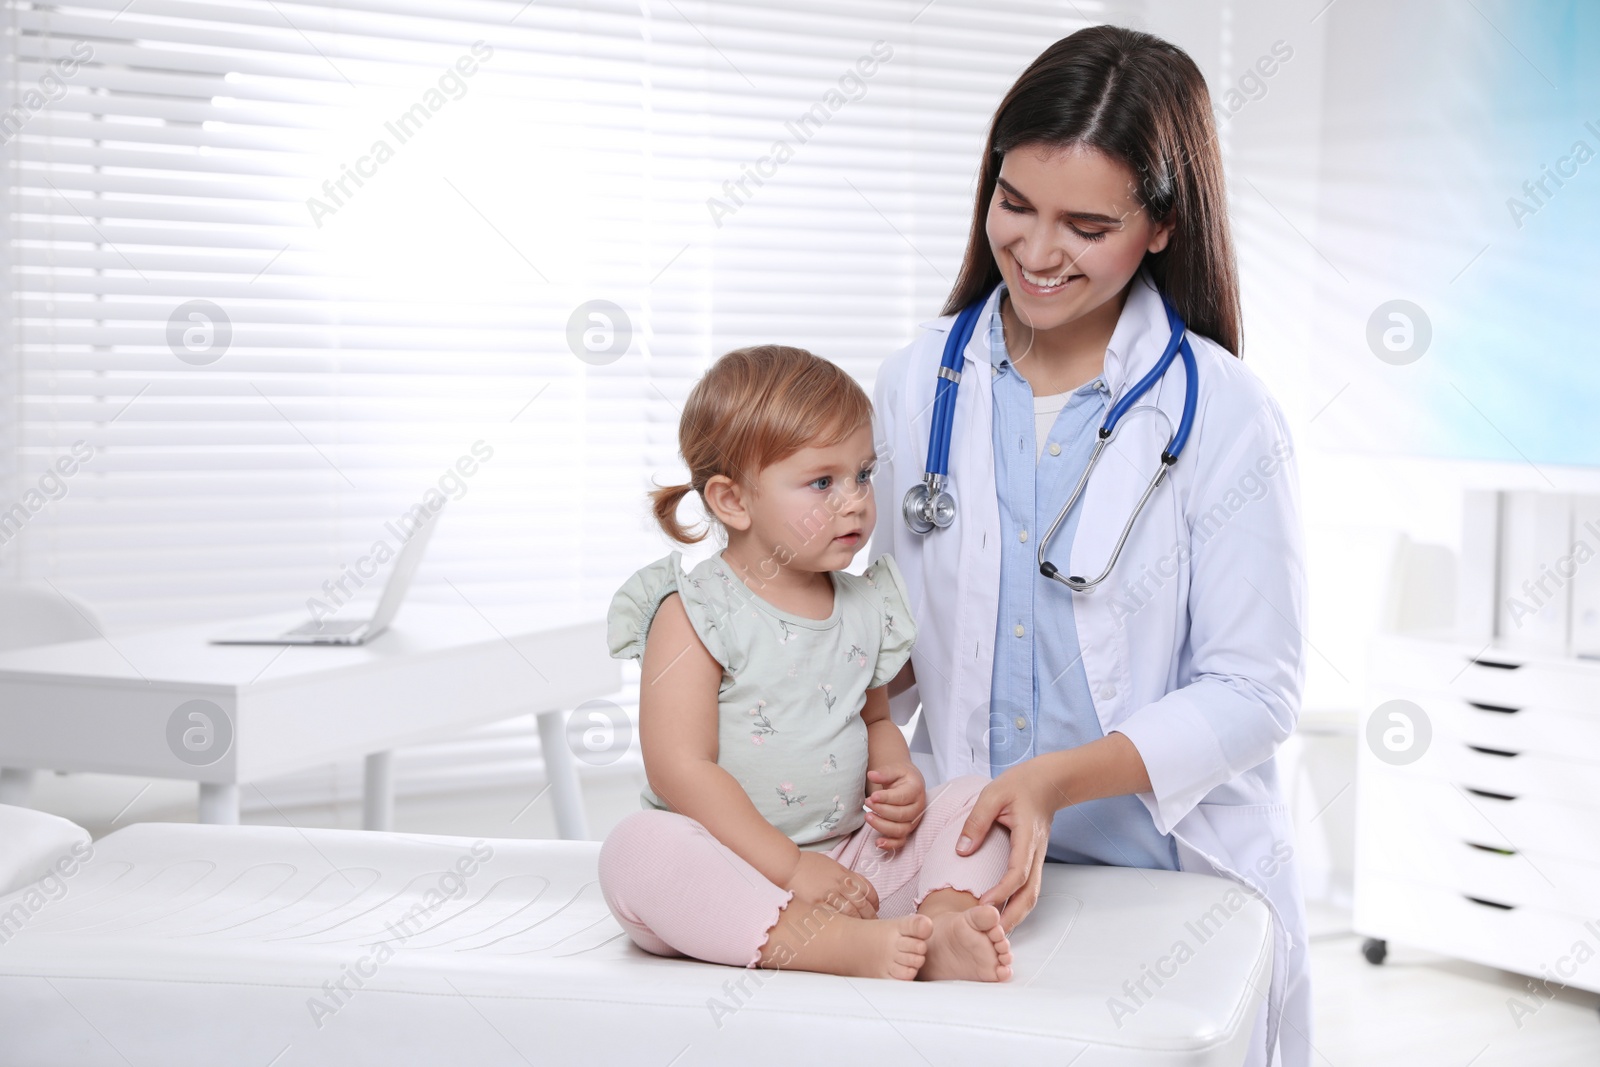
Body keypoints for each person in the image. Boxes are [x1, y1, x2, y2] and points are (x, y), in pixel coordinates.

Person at [869, 25, 1310, 1065]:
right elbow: (885, 636)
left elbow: (1255, 689)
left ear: (1160, 225)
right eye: (1013, 203)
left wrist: (1054, 780)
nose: (1033, 249)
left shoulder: (1225, 411)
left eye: (1085, 224)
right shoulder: (919, 380)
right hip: (965, 862)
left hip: (1162, 875)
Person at [599, 344, 1014, 982]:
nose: (854, 501)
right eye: (823, 482)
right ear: (733, 502)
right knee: (637, 852)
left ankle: (942, 921)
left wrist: (897, 776)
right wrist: (791, 871)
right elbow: (680, 769)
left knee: (976, 801)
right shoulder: (695, 612)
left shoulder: (863, 604)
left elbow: (876, 720)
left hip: (851, 862)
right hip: (730, 869)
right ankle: (832, 947)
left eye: (864, 475)